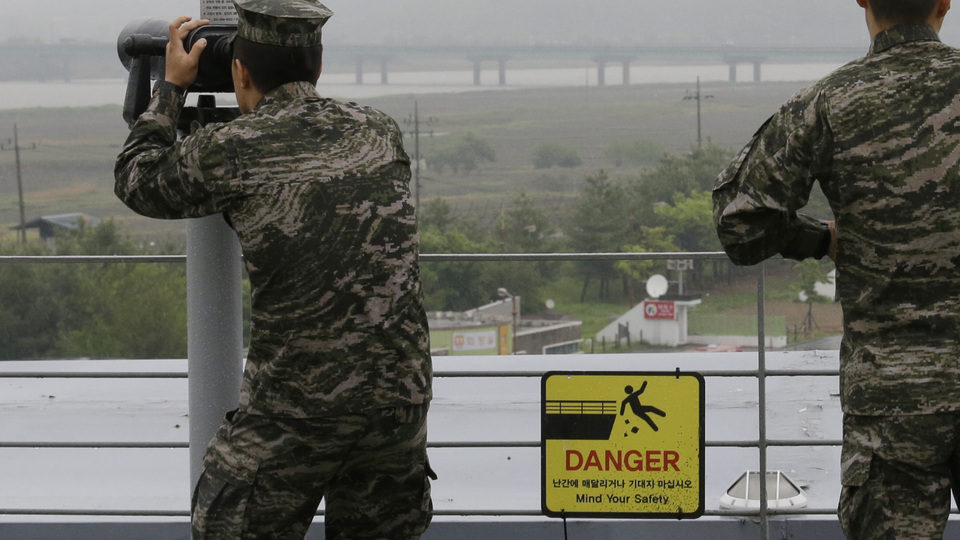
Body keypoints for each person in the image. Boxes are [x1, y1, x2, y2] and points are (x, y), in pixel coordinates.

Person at [113, 1, 434, 538]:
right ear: (319, 67)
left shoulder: (234, 150)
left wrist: (169, 88)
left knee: (225, 528)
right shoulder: (378, 130)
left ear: (239, 69)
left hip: (300, 404)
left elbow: (138, 180)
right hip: (398, 400)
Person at [713, 0, 960, 537]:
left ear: (863, 1)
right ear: (946, 2)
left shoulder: (828, 103)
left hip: (892, 405)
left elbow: (741, 223)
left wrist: (821, 239)